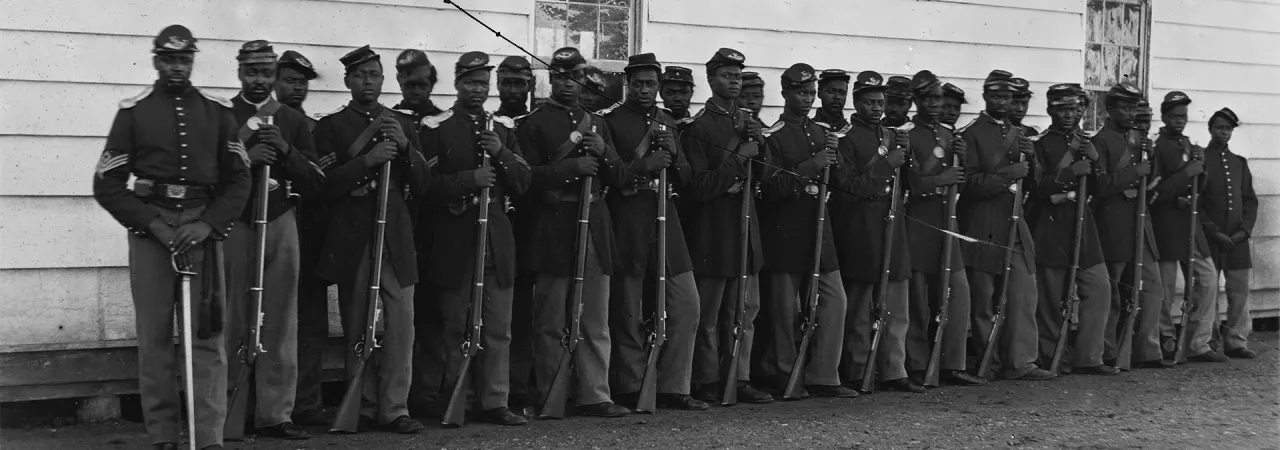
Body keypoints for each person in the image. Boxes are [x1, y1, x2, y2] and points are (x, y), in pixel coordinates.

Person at [92, 24, 250, 450]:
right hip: (151, 231)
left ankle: (208, 437)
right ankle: (163, 436)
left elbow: (239, 181)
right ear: (156, 60)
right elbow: (107, 184)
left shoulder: (218, 112)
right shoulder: (133, 112)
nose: (176, 67)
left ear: (192, 60)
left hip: (202, 226)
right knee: (155, 337)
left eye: (184, 59)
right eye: (168, 59)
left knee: (207, 337)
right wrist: (156, 226)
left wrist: (209, 225)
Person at [312, 45, 430, 434]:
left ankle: (395, 408)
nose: (368, 82)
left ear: (384, 80)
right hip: (354, 236)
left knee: (401, 325)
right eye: (360, 75)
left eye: (375, 75)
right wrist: (368, 160)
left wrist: (406, 146)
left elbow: (424, 183)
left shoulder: (404, 123)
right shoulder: (330, 127)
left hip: (395, 235)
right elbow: (323, 186)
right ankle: (361, 404)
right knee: (358, 325)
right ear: (347, 80)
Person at [515, 47, 631, 418]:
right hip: (554, 225)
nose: (569, 84)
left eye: (575, 77)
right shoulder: (533, 124)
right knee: (551, 318)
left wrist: (604, 154)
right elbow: (526, 179)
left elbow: (620, 178)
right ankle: (553, 393)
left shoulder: (597, 123)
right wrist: (571, 168)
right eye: (562, 77)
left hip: (593, 225)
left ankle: (596, 394)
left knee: (594, 317)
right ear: (551, 79)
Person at [418, 51, 532, 425]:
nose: (477, 90)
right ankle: (459, 399)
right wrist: (469, 181)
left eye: (482, 84)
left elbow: (523, 181)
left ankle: (495, 401)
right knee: (457, 326)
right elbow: (425, 186)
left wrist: (500, 152)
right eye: (470, 83)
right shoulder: (436, 128)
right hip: (455, 238)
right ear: (457, 84)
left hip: (496, 238)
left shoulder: (503, 129)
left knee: (498, 327)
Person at [222, 40, 322, 440]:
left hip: (280, 220)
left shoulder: (292, 120)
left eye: (266, 73)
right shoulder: (223, 116)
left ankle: (275, 413)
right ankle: (231, 407)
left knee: (280, 319)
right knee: (234, 316)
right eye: (252, 72)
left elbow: (315, 180)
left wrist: (285, 149)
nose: (259, 80)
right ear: (240, 72)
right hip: (236, 223)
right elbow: (210, 176)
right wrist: (247, 154)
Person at [601, 53, 707, 411]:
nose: (645, 90)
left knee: (686, 302)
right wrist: (642, 166)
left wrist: (675, 156)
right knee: (629, 306)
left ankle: (674, 386)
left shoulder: (669, 122)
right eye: (638, 83)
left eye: (651, 84)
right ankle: (631, 385)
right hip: (629, 217)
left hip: (667, 214)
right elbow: (608, 177)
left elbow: (687, 179)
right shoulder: (611, 121)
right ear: (627, 83)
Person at [758, 63, 857, 399]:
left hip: (819, 229)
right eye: (801, 92)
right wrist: (809, 167)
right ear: (785, 92)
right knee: (786, 311)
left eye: (811, 93)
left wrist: (834, 158)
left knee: (835, 301)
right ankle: (787, 375)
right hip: (787, 231)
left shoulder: (820, 132)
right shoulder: (774, 135)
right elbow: (770, 188)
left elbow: (841, 182)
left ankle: (824, 375)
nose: (807, 99)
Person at [682, 48, 775, 405]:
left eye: (737, 76)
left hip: (745, 230)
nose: (734, 82)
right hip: (713, 233)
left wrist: (760, 144)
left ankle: (741, 377)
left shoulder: (751, 123)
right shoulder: (699, 127)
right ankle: (706, 379)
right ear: (711, 79)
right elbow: (699, 186)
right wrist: (740, 158)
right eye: (726, 76)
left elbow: (765, 178)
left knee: (745, 313)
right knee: (709, 315)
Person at [958, 70, 1055, 381]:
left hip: (1015, 220)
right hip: (983, 219)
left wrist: (1032, 162)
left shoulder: (1022, 134)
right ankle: (990, 362)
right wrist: (1007, 174)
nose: (1003, 102)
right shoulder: (971, 134)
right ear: (986, 97)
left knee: (1024, 293)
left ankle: (1022, 362)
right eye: (997, 96)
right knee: (984, 298)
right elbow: (969, 184)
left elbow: (1037, 186)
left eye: (1009, 98)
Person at [830, 70, 918, 393]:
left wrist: (907, 158)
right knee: (859, 309)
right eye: (869, 102)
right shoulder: (845, 138)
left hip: (892, 229)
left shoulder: (892, 136)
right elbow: (849, 188)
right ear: (856, 102)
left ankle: (895, 370)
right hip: (861, 229)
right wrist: (887, 163)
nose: (876, 108)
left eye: (880, 102)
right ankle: (856, 371)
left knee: (897, 305)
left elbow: (911, 184)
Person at [900, 70, 987, 387]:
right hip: (920, 221)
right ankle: (919, 364)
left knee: (957, 295)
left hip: (947, 222)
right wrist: (941, 180)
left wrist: (961, 164)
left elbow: (962, 181)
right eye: (930, 99)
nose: (936, 104)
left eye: (939, 99)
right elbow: (909, 184)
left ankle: (953, 363)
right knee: (920, 298)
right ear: (918, 101)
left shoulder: (951, 136)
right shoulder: (907, 134)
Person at [1028, 84, 1116, 375]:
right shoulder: (1041, 144)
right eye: (1063, 108)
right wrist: (1070, 169)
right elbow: (1040, 187)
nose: (1070, 114)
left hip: (1083, 224)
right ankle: (1052, 356)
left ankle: (1090, 356)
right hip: (1052, 226)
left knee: (1099, 287)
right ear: (1051, 110)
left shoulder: (1088, 142)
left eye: (1076, 109)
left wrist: (1096, 160)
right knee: (1052, 298)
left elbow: (1103, 189)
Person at [1090, 82, 1167, 370]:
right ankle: (1109, 351)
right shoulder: (1100, 141)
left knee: (1153, 286)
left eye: (1135, 107)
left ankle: (1147, 349)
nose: (1131, 113)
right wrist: (1135, 172)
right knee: (1114, 291)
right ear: (1109, 110)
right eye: (1125, 107)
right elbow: (1100, 185)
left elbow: (1152, 179)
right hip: (1115, 224)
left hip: (1141, 224)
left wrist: (1151, 157)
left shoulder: (1138, 139)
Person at [273, 49, 331, 426]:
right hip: (273, 234)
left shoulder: (315, 130)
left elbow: (323, 181)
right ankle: (269, 405)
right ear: (275, 83)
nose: (297, 88)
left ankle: (306, 404)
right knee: (274, 321)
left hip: (309, 236)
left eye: (302, 81)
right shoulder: (260, 123)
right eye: (290, 80)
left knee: (310, 323)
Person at [1150, 91, 1227, 364]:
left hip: (1190, 224)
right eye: (1174, 116)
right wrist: (1188, 174)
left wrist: (1201, 168)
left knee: (1207, 279)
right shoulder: (1157, 147)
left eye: (1183, 116)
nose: (1179, 121)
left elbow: (1200, 187)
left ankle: (1198, 342)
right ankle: (1167, 339)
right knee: (1166, 288)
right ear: (1164, 117)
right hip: (1168, 225)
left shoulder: (1187, 144)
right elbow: (1154, 192)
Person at [493, 54, 538, 413]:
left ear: (530, 85)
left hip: (532, 226)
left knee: (527, 313)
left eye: (519, 83)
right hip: (497, 227)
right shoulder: (490, 124)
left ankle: (522, 387)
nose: (512, 90)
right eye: (506, 82)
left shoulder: (536, 123)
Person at [1201, 107, 1259, 360]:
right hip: (1211, 239)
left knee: (1239, 290)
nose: (1223, 132)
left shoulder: (1239, 163)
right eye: (1219, 128)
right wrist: (1214, 232)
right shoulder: (1200, 159)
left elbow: (1250, 201)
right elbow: (1198, 204)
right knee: (1208, 290)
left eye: (1227, 128)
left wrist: (1243, 231)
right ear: (1210, 129)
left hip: (1237, 240)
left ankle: (1236, 341)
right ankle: (1209, 341)